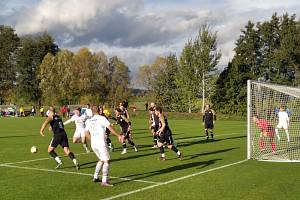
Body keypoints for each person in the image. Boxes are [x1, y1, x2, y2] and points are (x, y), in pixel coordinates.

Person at [85, 105, 123, 187]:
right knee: (107, 161)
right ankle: (104, 181)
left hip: (93, 144)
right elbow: (110, 128)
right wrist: (118, 135)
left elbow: (86, 133)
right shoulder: (102, 118)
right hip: (101, 143)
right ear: (99, 110)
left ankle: (95, 177)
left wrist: (93, 140)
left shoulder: (89, 120)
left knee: (101, 160)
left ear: (91, 111)